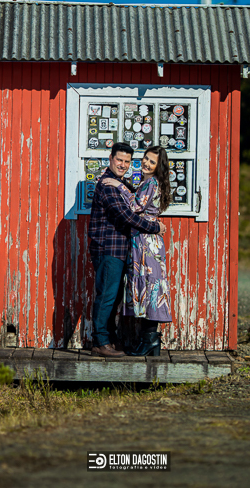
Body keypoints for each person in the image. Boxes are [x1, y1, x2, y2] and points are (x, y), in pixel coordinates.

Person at [88, 142, 167, 358]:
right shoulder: (108, 185)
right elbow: (127, 216)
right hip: (109, 248)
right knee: (106, 296)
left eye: (127, 161)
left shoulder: (123, 184)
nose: (123, 164)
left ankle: (109, 339)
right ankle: (100, 342)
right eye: (119, 160)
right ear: (110, 159)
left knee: (113, 297)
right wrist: (155, 227)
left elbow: (136, 200)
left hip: (122, 249)